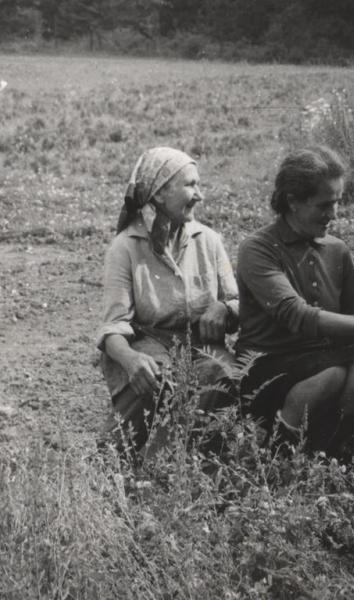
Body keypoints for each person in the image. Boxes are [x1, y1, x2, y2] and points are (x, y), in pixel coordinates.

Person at [236, 145, 354, 455]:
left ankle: (325, 451)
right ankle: (278, 454)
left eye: (338, 203)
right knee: (331, 376)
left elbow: (351, 317)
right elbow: (295, 314)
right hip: (267, 362)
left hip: (322, 358)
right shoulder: (259, 249)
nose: (334, 214)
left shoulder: (336, 250)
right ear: (293, 201)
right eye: (324, 205)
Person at [97, 147, 239, 456]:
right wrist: (131, 360)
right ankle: (129, 456)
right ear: (160, 194)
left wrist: (223, 308)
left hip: (201, 346)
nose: (199, 195)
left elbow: (237, 301)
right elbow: (113, 328)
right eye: (190, 185)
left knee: (225, 375)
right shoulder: (125, 248)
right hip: (150, 343)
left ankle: (193, 456)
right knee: (154, 379)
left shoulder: (209, 241)